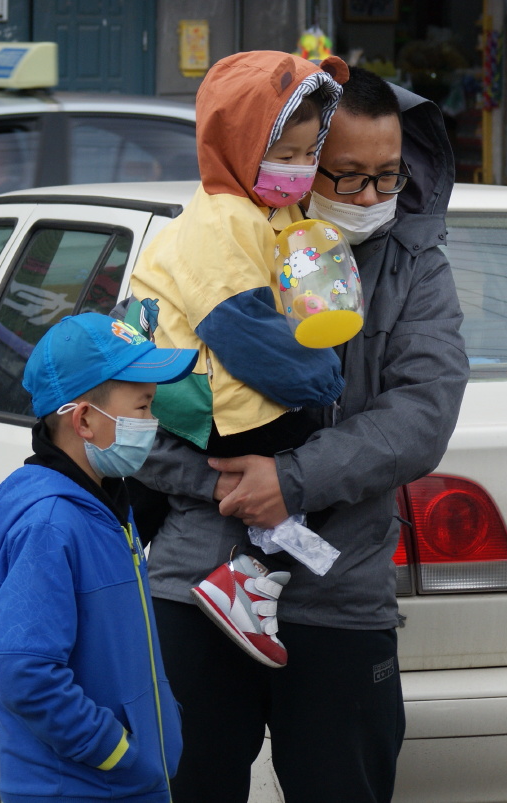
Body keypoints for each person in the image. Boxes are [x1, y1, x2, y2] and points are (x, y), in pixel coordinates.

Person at [134, 66, 469, 802]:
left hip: (339, 594)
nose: (371, 198)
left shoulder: (415, 266)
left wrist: (290, 480)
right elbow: (140, 398)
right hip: (197, 584)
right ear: (295, 157)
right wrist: (231, 486)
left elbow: (423, 413)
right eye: (346, 176)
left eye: (389, 177)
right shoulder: (209, 244)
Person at [127, 50, 350, 669]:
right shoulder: (223, 219)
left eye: (310, 154)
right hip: (212, 394)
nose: (301, 169)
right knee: (311, 459)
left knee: (297, 474)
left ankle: (252, 569)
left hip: (201, 388)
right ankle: (248, 576)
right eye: (285, 155)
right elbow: (241, 327)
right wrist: (322, 380)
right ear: (237, 145)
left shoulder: (264, 210)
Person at [0, 312, 197, 802]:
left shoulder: (106, 506)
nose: (153, 424)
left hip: (125, 785)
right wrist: (118, 752)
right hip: (84, 788)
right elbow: (28, 675)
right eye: (142, 408)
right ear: (83, 419)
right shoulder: (50, 523)